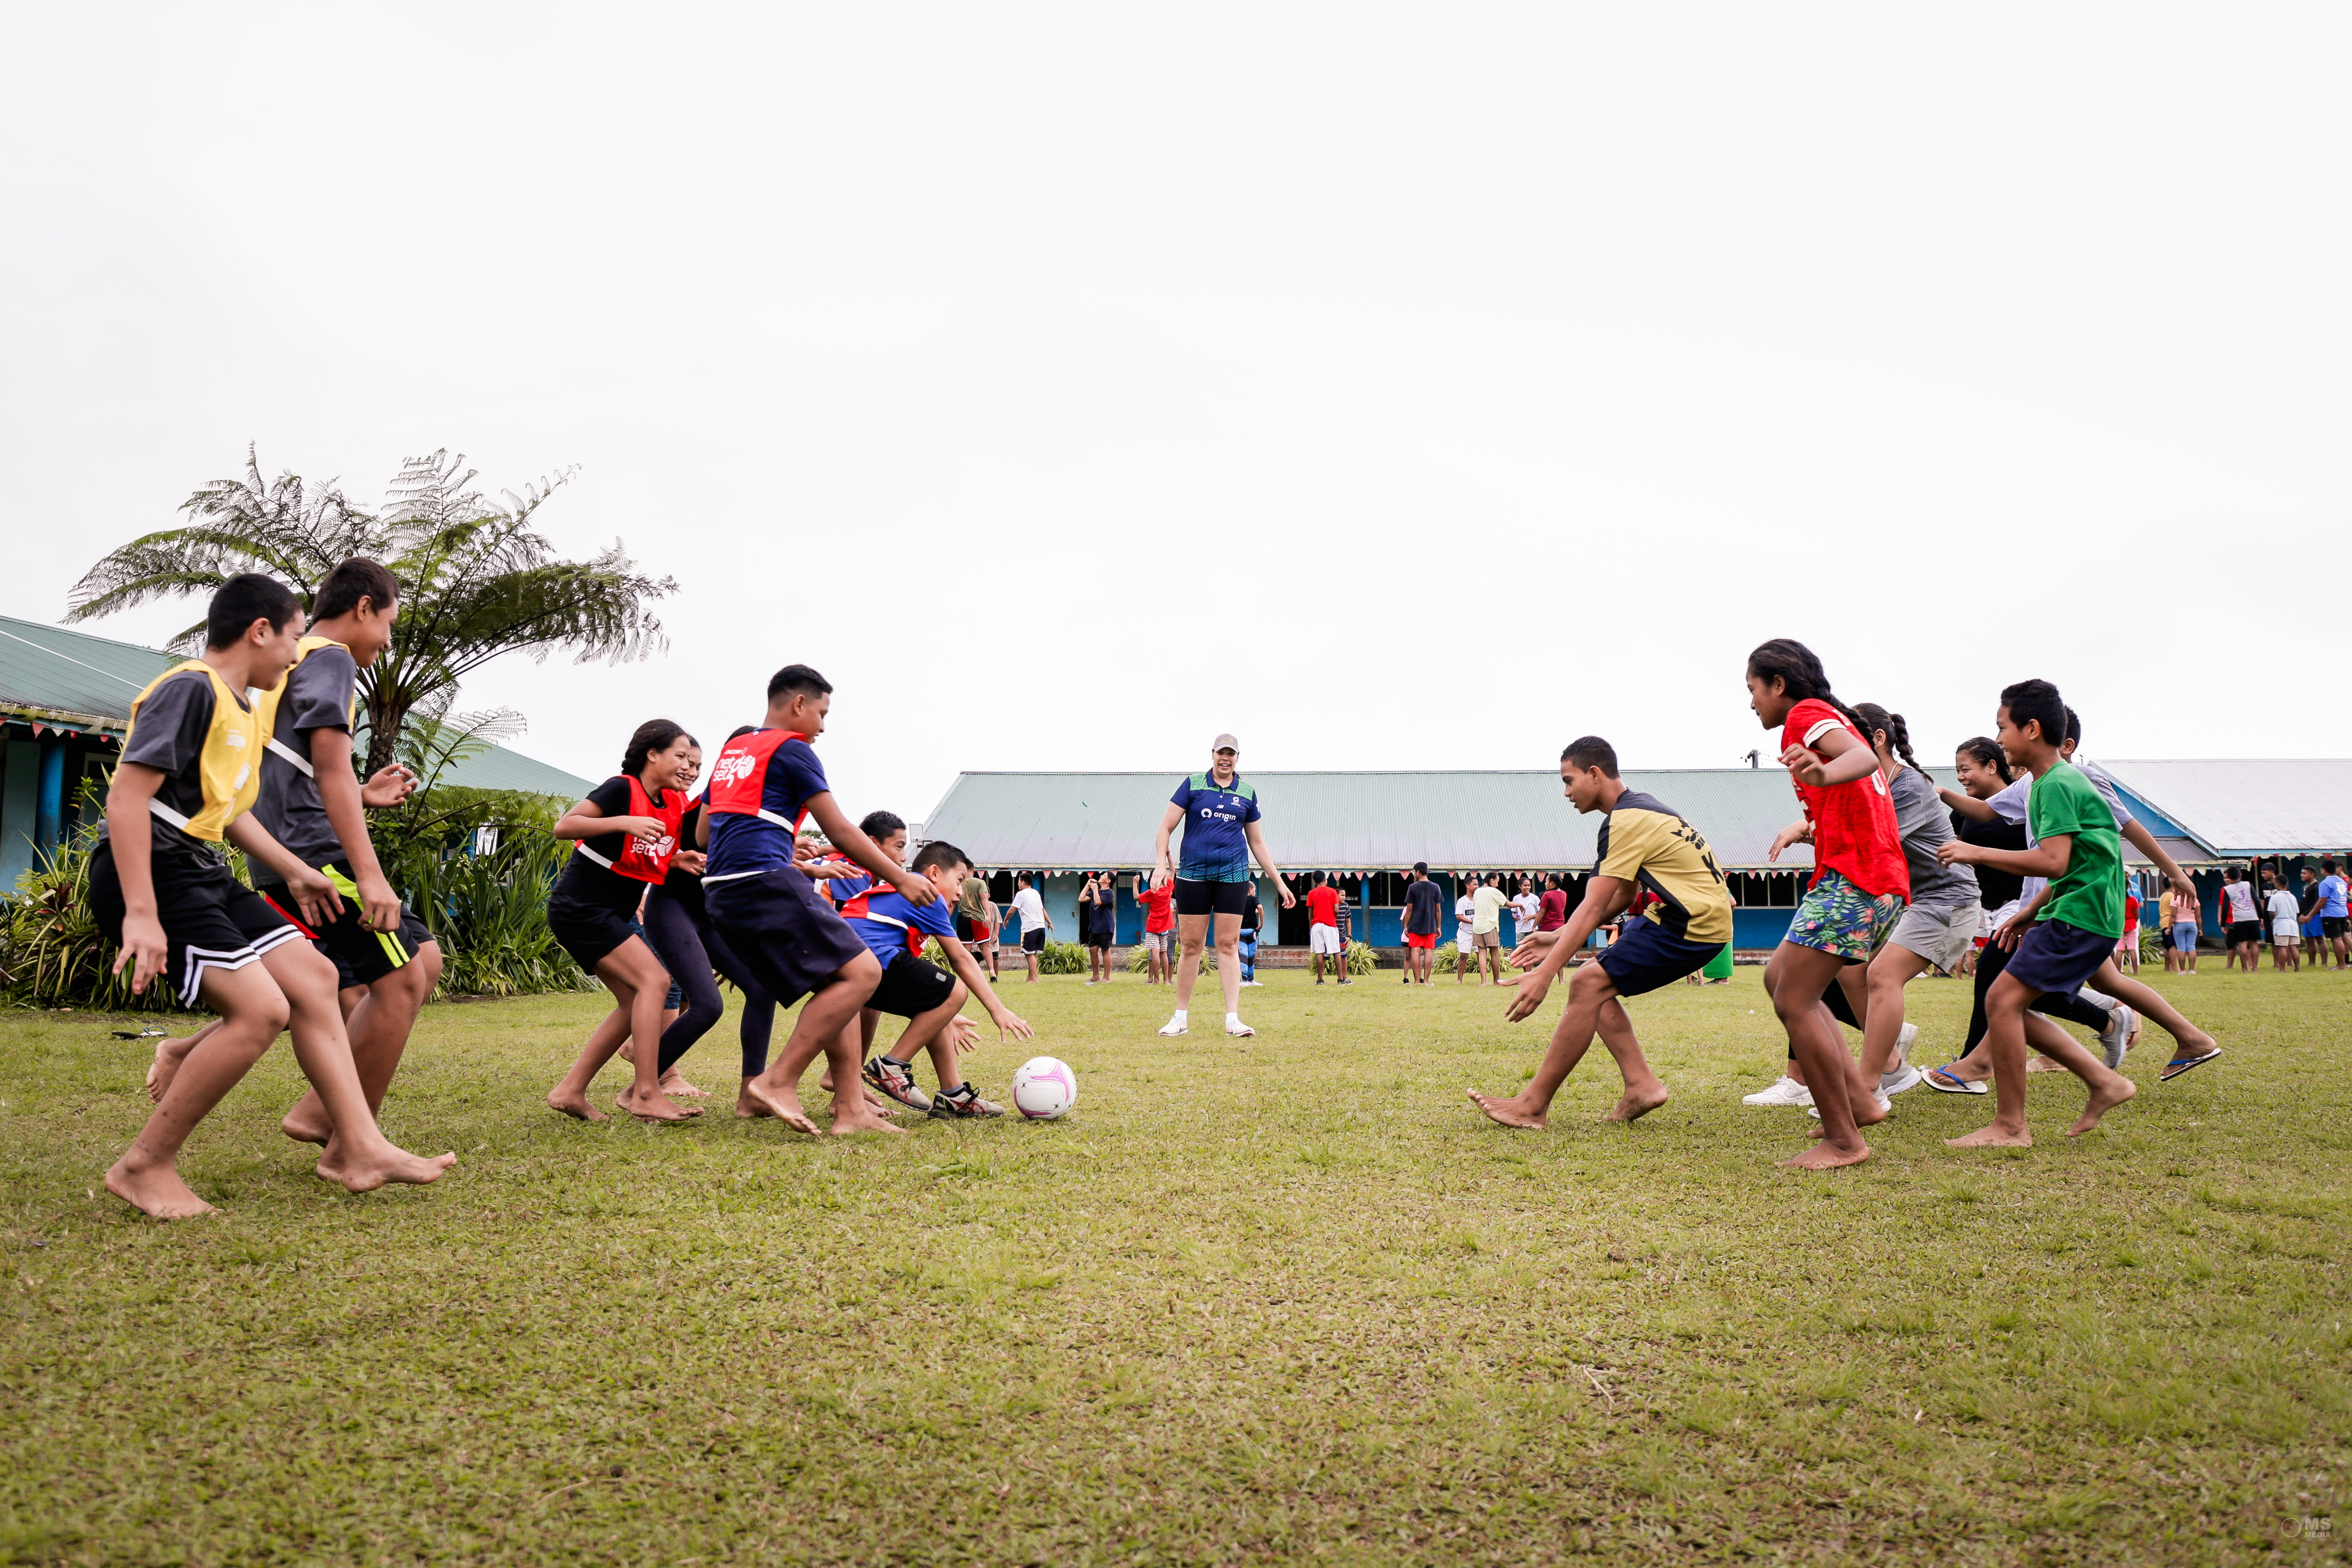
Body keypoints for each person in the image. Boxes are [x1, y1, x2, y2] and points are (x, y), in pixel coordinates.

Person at [96, 573, 454, 1218]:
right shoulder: (189, 688)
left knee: (315, 976)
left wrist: (297, 870)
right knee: (261, 1011)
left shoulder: (238, 709)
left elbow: (234, 814)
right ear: (260, 630)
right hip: (155, 869)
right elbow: (127, 799)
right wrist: (142, 914)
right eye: (292, 637)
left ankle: (363, 1145)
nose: (298, 654)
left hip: (199, 865)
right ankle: (143, 1166)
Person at [229, 558, 446, 1175]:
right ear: (363, 608)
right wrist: (370, 873)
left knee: (421, 960)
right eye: (389, 624)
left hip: (279, 850)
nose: (387, 641)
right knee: (402, 981)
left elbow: (299, 769)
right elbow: (327, 767)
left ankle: (322, 1115)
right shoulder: (329, 658)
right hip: (314, 854)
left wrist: (362, 792)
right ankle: (348, 1143)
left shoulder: (286, 663)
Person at [702, 664, 939, 1137]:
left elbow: (703, 831)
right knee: (865, 971)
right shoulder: (792, 750)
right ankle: (778, 1080)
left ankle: (850, 1108)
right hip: (763, 881)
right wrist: (900, 877)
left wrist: (777, 839)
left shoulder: (733, 752)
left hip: (722, 891)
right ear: (798, 705)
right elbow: (841, 830)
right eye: (822, 713)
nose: (823, 727)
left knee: (841, 976)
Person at [1468, 736, 1729, 1128]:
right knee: (1595, 984)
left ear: (1595, 774)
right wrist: (1557, 937)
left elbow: (1593, 905)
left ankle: (1532, 1105)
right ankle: (1641, 1084)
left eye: (1569, 780)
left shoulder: (1625, 820)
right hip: (1692, 919)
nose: (1567, 792)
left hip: (1690, 923)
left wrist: (1543, 975)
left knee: (1587, 983)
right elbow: (1622, 895)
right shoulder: (1641, 809)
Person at [1934, 679, 2139, 1146]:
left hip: (2082, 913)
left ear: (2030, 729)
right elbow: (2085, 858)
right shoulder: (2051, 782)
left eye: (2001, 727)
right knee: (2005, 1002)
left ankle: (2011, 1126)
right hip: (2073, 907)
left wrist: (1976, 854)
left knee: (2002, 1001)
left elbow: (2053, 861)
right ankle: (2102, 1082)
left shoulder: (2053, 785)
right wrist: (2030, 911)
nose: (1999, 738)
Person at [1742, 640, 1908, 1170]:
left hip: (1854, 880)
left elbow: (1860, 758)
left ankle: (1843, 1140)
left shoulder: (1806, 716)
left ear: (1778, 684)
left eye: (1752, 690)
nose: (1751, 704)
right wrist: (1810, 821)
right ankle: (1860, 1102)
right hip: (1863, 877)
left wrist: (1820, 772)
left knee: (1794, 998)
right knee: (1777, 979)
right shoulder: (1825, 716)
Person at [543, 721, 703, 1123]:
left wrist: (675, 860)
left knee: (635, 998)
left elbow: (639, 858)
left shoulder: (670, 804)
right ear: (653, 754)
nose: (688, 766)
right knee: (656, 981)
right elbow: (565, 826)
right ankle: (647, 1091)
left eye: (693, 761)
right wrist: (622, 821)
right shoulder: (622, 788)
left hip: (611, 912)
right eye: (681, 756)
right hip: (581, 907)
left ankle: (570, 1091)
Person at [804, 840, 1032, 1119]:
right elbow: (960, 958)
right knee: (954, 990)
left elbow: (917, 983)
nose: (960, 892)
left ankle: (954, 1096)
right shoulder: (928, 893)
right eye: (959, 880)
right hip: (861, 959)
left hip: (841, 960)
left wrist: (944, 1014)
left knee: (939, 998)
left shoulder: (901, 897)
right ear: (934, 873)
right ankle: (892, 1067)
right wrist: (998, 1010)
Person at [1150, 734, 1295, 1038]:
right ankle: (1180, 1018)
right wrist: (1161, 865)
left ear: (1238, 757)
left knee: (1228, 944)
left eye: (1231, 754)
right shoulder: (1193, 784)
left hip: (1233, 876)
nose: (1225, 758)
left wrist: (1280, 883)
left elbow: (1257, 841)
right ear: (1213, 754)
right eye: (1221, 753)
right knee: (1191, 946)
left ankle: (1233, 1019)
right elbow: (1165, 827)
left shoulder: (1247, 792)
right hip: (1193, 876)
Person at [1401, 862, 1442, 984]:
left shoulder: (1413, 888)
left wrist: (1406, 925)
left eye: (1414, 872)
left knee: (1416, 952)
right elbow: (1438, 909)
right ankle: (1427, 981)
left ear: (1418, 872)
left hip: (1415, 925)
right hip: (1430, 925)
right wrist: (1439, 926)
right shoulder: (1436, 887)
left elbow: (1409, 909)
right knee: (1429, 952)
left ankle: (1417, 981)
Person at [953, 869, 998, 980]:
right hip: (979, 919)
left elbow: (953, 901)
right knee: (985, 948)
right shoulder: (980, 883)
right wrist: (989, 914)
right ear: (973, 870)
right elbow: (983, 898)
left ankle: (968, 974)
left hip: (963, 918)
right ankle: (992, 971)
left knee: (967, 949)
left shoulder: (959, 883)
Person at [1132, 870, 1176, 985]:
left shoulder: (1152, 893)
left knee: (1155, 952)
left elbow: (1136, 897)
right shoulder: (1168, 890)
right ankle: (1166, 980)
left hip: (1153, 926)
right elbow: (1172, 873)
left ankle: (1156, 980)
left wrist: (1135, 883)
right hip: (1165, 927)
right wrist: (1169, 857)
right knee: (1164, 953)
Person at [1305, 873, 1348, 984]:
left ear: (1315, 882)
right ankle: (1341, 979)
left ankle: (1320, 980)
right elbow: (1337, 909)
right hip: (1330, 925)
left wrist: (1311, 927)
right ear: (1325, 879)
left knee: (1320, 952)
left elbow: (1310, 913)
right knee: (1336, 951)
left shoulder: (1311, 893)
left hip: (1316, 925)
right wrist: (1332, 916)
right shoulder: (1333, 892)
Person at [1008, 873, 1050, 982]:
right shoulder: (1036, 893)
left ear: (1022, 882)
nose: (1018, 884)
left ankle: (1035, 979)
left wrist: (1006, 920)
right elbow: (1043, 910)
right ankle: (1031, 978)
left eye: (1018, 882)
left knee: (1029, 953)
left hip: (1030, 928)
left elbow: (1012, 910)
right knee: (1033, 954)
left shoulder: (1021, 894)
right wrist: (1049, 922)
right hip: (1041, 926)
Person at [2220, 866, 2260, 970]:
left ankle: (2245, 969)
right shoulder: (2248, 885)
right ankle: (2255, 968)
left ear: (2228, 876)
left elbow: (2224, 908)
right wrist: (2261, 916)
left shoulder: (2227, 889)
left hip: (2239, 919)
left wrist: (2223, 924)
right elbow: (2257, 901)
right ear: (2240, 875)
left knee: (2242, 943)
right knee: (2254, 943)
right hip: (2253, 917)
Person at [1080, 870, 1116, 983]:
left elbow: (1098, 902)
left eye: (1104, 875)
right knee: (1093, 950)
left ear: (1108, 881)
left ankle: (1107, 977)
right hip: (1094, 926)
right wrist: (1088, 884)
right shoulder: (1097, 891)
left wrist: (1095, 890)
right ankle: (1095, 976)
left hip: (1105, 926)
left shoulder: (1109, 893)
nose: (1101, 876)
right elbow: (1081, 899)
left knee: (1105, 950)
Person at [2160, 877, 2198, 974]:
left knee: (2168, 947)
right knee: (2176, 946)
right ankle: (2175, 967)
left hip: (2164, 921)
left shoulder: (2164, 896)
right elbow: (2174, 914)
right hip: (2176, 922)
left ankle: (2168, 967)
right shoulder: (2174, 897)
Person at [2266, 870, 2302, 973]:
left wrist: (2273, 920)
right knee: (2294, 947)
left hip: (2281, 924)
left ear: (2276, 884)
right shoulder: (2293, 897)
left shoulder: (2275, 897)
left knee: (2282, 947)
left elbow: (2272, 913)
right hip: (2293, 924)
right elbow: (2297, 913)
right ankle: (2297, 968)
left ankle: (2282, 969)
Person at [2318, 856, 2351, 970]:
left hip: (2331, 913)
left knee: (2336, 939)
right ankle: (2341, 964)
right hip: (2343, 912)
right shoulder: (2343, 882)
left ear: (2324, 870)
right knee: (2341, 938)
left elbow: (2322, 901)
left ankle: (2341, 965)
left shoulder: (2325, 883)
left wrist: (2311, 914)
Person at [1453, 882, 1480, 983]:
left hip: (1478, 932)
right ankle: (1460, 979)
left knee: (1481, 955)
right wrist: (1472, 922)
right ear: (1468, 886)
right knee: (1464, 955)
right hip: (1465, 932)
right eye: (1475, 884)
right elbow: (1459, 916)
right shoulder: (1462, 901)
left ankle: (1484, 980)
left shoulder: (1480, 900)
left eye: (1478, 884)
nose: (1477, 886)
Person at [1510, 876, 1541, 961]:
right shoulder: (1516, 899)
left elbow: (1541, 913)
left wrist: (1530, 917)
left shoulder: (1534, 898)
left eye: (1529, 885)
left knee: (1530, 951)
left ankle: (1529, 973)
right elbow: (1514, 912)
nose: (1528, 888)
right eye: (1525, 886)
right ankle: (1527, 972)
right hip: (1520, 929)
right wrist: (1515, 916)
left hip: (1531, 929)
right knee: (1520, 952)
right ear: (1520, 887)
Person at [1238, 884, 1263, 985]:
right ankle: (1251, 980)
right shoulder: (1254, 899)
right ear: (1250, 889)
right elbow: (1260, 907)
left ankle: (1244, 980)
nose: (1255, 892)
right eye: (1255, 890)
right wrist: (1262, 923)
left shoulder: (1239, 899)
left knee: (1243, 954)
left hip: (1240, 931)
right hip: (1252, 931)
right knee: (1251, 955)